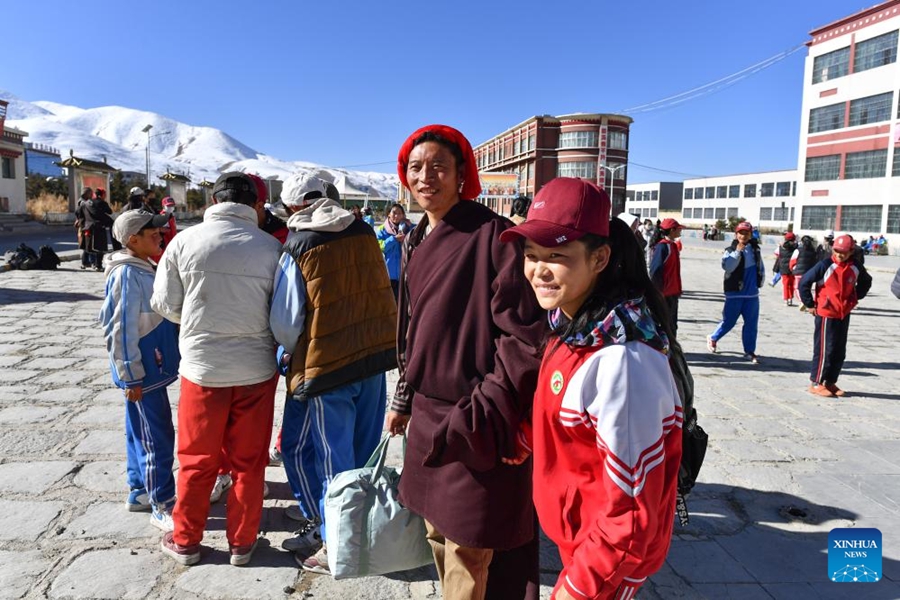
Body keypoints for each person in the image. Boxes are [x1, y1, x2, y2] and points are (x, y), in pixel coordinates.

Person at [499, 177, 682, 600]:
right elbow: (567, 410)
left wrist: (580, 587)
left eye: (557, 255)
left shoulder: (621, 361)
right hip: (580, 536)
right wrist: (529, 439)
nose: (538, 270)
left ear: (599, 258)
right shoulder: (575, 324)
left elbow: (632, 515)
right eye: (530, 255)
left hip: (607, 560)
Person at [386, 124, 545, 600]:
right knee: (438, 532)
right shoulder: (415, 237)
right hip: (429, 415)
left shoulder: (494, 236)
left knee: (468, 545)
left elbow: (523, 337)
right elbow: (414, 330)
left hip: (476, 416)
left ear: (462, 176)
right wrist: (404, 397)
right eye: (416, 167)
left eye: (438, 166)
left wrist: (487, 408)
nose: (426, 176)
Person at [269, 172, 397, 574]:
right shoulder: (362, 230)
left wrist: (287, 354)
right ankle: (357, 527)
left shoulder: (299, 243)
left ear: (294, 208)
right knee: (361, 452)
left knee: (330, 459)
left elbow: (287, 320)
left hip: (328, 364)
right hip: (373, 358)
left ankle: (333, 540)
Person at [151, 172, 282, 567]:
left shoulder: (185, 241)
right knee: (248, 461)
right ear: (254, 205)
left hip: (202, 369)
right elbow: (283, 311)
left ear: (213, 200)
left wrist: (196, 320)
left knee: (196, 458)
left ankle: (187, 539)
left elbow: (165, 305)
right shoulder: (272, 249)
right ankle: (242, 544)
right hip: (256, 370)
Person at [99, 210, 179, 531]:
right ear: (133, 239)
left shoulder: (142, 267)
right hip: (143, 373)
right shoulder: (127, 275)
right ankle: (163, 501)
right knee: (155, 437)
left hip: (150, 369)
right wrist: (130, 374)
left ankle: (140, 491)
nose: (159, 236)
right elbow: (119, 329)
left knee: (139, 431)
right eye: (152, 233)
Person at [799, 235, 872, 397]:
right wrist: (810, 304)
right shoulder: (825, 265)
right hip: (826, 313)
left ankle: (830, 381)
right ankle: (816, 382)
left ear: (851, 252)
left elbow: (867, 281)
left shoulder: (855, 266)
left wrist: (855, 297)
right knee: (825, 350)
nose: (840, 254)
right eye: (837, 251)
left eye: (844, 252)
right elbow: (804, 282)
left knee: (839, 350)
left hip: (843, 313)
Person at [706, 221, 765, 364]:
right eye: (741, 233)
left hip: (751, 295)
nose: (743, 236)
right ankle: (713, 337)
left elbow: (760, 266)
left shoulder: (755, 249)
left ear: (751, 235)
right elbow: (728, 267)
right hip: (735, 293)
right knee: (729, 321)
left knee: (751, 324)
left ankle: (749, 351)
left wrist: (761, 280)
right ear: (736, 234)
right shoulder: (730, 250)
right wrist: (737, 252)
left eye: (746, 233)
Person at [649, 217, 684, 335]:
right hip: (665, 294)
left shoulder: (672, 245)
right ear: (672, 230)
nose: (680, 231)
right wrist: (657, 292)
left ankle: (671, 350)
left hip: (673, 292)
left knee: (672, 324)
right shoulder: (662, 247)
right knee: (665, 325)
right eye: (678, 229)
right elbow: (655, 270)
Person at [375, 203, 413, 298]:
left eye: (400, 213)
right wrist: (394, 239)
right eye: (394, 213)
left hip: (406, 274)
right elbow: (379, 247)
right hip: (388, 275)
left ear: (403, 215)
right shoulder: (382, 230)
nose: (397, 215)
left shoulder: (410, 228)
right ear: (388, 214)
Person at [75, 186, 114, 271]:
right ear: (102, 194)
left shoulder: (86, 203)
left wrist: (82, 222)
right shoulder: (101, 203)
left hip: (88, 227)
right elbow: (109, 211)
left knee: (88, 247)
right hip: (99, 227)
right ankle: (98, 265)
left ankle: (86, 263)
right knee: (100, 248)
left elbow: (78, 212)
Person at [151, 197, 178, 264]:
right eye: (168, 205)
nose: (171, 207)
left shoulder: (170, 216)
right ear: (163, 206)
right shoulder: (162, 216)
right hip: (163, 245)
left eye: (172, 205)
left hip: (170, 243)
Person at [75, 188, 94, 270]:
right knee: (87, 244)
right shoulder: (83, 202)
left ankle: (86, 262)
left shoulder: (83, 201)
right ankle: (87, 262)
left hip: (84, 225)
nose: (92, 195)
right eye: (90, 193)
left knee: (87, 244)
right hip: (84, 226)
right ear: (87, 194)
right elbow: (79, 213)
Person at [777, 232, 798, 306]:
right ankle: (790, 299)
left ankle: (786, 299)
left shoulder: (781, 246)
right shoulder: (796, 247)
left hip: (783, 268)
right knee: (791, 284)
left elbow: (776, 253)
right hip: (792, 267)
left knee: (785, 284)